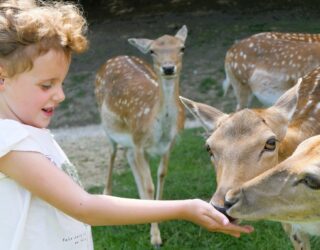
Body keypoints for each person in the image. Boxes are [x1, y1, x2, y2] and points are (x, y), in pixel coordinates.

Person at [0, 1, 253, 249]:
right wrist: (185, 208)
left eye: (61, 84)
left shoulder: (28, 133)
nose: (61, 95)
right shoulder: (8, 140)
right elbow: (86, 207)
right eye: (47, 85)